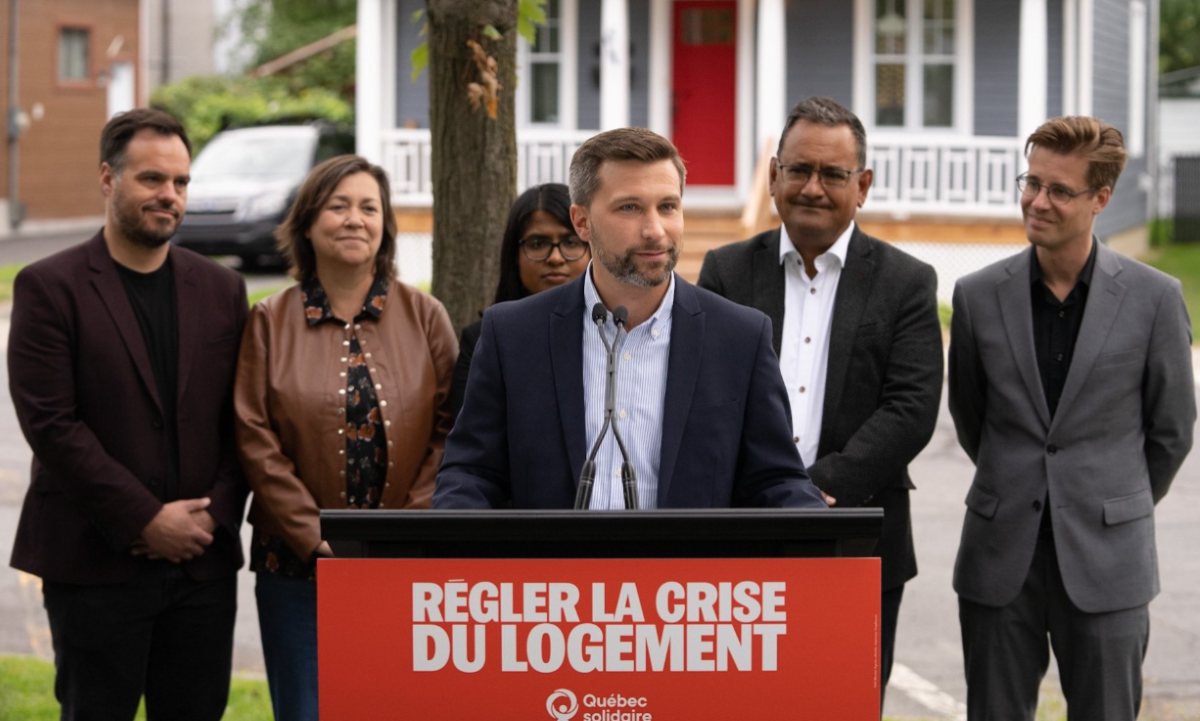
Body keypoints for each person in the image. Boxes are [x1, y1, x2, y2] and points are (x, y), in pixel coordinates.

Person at [435, 127, 826, 510]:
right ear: (582, 221)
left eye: (668, 206)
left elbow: (776, 481)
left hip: (686, 575)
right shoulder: (513, 334)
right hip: (554, 575)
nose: (655, 230)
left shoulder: (740, 337)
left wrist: (826, 543)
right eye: (630, 208)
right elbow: (471, 474)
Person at [948, 116, 1196, 720]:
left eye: (1059, 190)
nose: (1037, 201)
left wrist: (1111, 497)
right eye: (1031, 183)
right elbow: (971, 417)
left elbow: (1171, 431)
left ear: (1101, 200)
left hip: (1109, 560)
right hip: (1000, 555)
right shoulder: (977, 296)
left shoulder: (1155, 298)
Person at [697, 96, 943, 700]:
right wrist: (769, 491)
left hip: (859, 537)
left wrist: (817, 489)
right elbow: (705, 397)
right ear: (774, 175)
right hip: (743, 537)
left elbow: (911, 407)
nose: (812, 187)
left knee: (844, 702)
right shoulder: (726, 271)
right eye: (798, 170)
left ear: (862, 186)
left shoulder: (907, 282)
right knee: (741, 706)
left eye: (832, 175)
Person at [7, 109, 248, 720]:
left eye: (181, 183)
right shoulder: (48, 287)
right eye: (151, 179)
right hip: (92, 562)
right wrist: (144, 519)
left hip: (202, 565)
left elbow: (244, 418)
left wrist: (212, 516)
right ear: (108, 179)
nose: (169, 195)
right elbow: (52, 425)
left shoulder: (222, 290)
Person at [234, 154, 457, 720]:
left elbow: (451, 431)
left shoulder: (426, 316)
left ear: (384, 226)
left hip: (402, 567)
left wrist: (403, 532)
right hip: (295, 569)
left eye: (368, 207)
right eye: (338, 206)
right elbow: (254, 438)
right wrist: (317, 537)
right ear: (308, 222)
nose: (355, 219)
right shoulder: (269, 320)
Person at [451, 183, 590, 417]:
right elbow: (470, 443)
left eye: (570, 242)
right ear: (514, 256)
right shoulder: (482, 341)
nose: (555, 258)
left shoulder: (612, 332)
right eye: (538, 244)